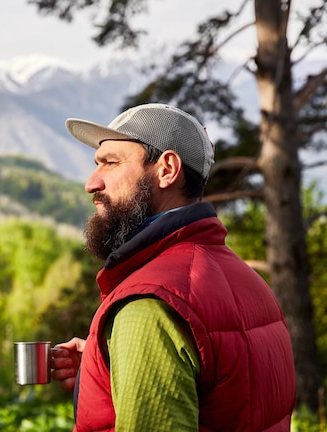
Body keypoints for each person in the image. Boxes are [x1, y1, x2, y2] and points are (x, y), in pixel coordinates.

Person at [51, 103, 296, 431]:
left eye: (110, 163)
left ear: (167, 169)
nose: (92, 183)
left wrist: (137, 337)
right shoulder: (253, 285)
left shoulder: (148, 305)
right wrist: (108, 360)